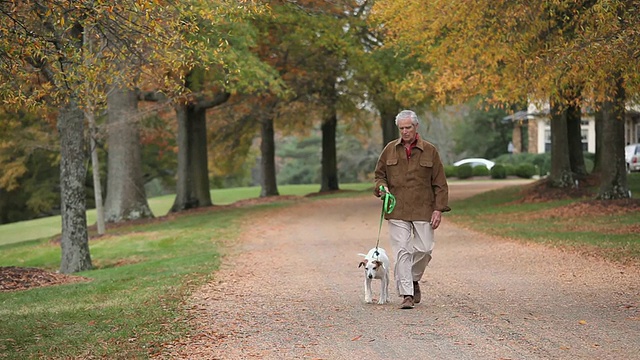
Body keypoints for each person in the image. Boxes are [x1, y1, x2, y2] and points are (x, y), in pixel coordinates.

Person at [373, 109, 450, 309]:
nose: (405, 131)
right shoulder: (389, 149)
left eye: (408, 127)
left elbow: (440, 183)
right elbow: (379, 175)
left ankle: (413, 278)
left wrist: (438, 209)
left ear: (416, 127)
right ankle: (407, 294)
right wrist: (382, 188)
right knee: (402, 251)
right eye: (401, 128)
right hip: (397, 208)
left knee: (425, 249)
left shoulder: (430, 151)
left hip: (423, 207)